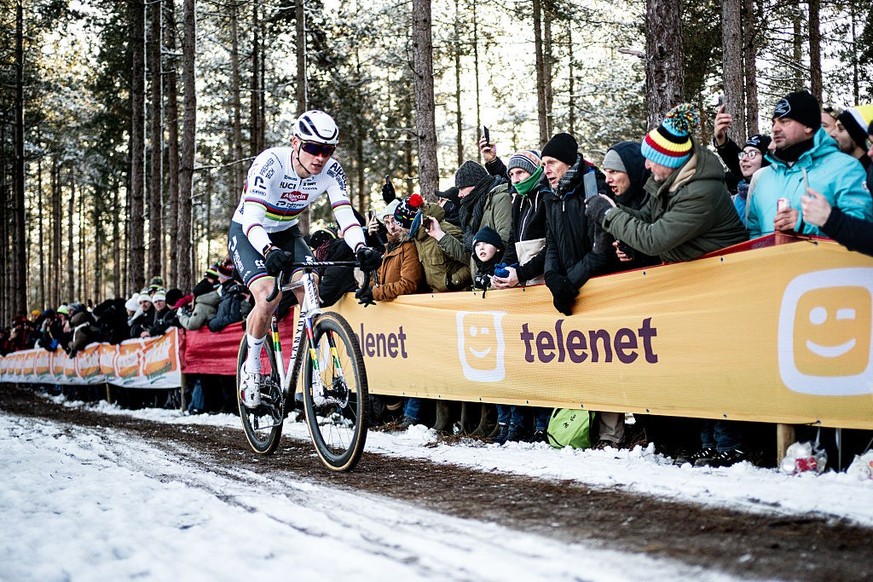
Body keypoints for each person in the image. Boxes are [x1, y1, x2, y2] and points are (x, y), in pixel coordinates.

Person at [586, 103, 749, 467]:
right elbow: (644, 218)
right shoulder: (670, 183)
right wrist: (614, 213)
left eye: (651, 159)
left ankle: (731, 443)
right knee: (698, 367)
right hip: (695, 286)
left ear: (671, 160)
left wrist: (609, 215)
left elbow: (655, 238)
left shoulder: (699, 192)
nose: (645, 166)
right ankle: (709, 440)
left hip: (723, 285)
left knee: (718, 367)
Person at [228, 110, 380, 408]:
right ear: (295, 142)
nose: (320, 157)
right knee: (268, 298)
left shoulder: (331, 171)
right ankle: (253, 369)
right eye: (313, 148)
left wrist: (360, 247)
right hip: (250, 232)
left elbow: (344, 214)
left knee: (309, 285)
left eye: (328, 150)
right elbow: (253, 220)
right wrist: (269, 251)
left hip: (287, 231)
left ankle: (314, 371)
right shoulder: (269, 163)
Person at [747, 91, 872, 239]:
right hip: (771, 262)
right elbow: (754, 231)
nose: (775, 128)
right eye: (774, 122)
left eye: (784, 121)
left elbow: (862, 227)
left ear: (808, 126)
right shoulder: (765, 176)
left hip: (829, 262)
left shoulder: (845, 168)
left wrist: (805, 225)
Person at [542, 132, 615, 317]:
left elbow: (601, 250)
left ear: (567, 162)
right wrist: (552, 277)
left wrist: (569, 281)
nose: (546, 170)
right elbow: (552, 243)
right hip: (568, 292)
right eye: (543, 165)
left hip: (600, 291)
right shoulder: (551, 196)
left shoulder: (594, 188)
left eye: (552, 163)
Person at [427, 160, 512, 279]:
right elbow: (471, 257)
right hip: (482, 283)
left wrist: (477, 243)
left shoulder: (500, 199)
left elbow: (506, 242)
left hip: (500, 281)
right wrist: (439, 235)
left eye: (462, 188)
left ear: (476, 184)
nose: (459, 195)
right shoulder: (471, 212)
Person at [831, 104, 873, 192]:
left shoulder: (866, 174)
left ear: (856, 135)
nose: (832, 133)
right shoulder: (841, 166)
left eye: (841, 129)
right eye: (834, 127)